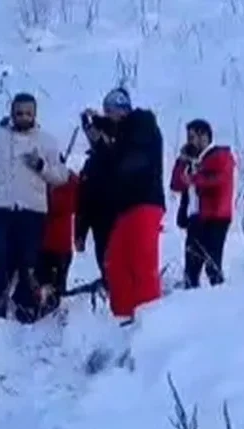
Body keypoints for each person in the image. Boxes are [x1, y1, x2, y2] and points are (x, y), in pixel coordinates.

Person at [0, 92, 69, 323]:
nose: (23, 117)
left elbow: (61, 177)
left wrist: (41, 166)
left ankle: (25, 305)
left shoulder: (47, 141)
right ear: (11, 112)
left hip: (32, 210)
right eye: (19, 112)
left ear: (35, 114)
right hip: (0, 207)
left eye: (28, 113)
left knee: (29, 260)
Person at [90, 87, 165, 323]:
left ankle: (149, 320)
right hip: (125, 207)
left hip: (145, 201)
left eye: (110, 111)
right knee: (116, 263)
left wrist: (104, 130)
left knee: (141, 263)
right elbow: (114, 163)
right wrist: (100, 139)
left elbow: (128, 157)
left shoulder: (143, 122)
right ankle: (122, 318)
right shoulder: (125, 136)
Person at [171, 119, 236, 287]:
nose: (190, 141)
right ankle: (191, 297)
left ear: (204, 136)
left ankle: (219, 298)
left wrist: (193, 178)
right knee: (191, 266)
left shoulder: (221, 156)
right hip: (195, 217)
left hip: (215, 216)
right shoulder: (192, 160)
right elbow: (176, 184)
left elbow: (218, 179)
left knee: (212, 263)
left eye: (192, 137)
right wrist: (182, 161)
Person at [73, 120, 119, 283]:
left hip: (117, 221)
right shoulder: (90, 163)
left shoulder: (118, 157)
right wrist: (80, 232)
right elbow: (84, 199)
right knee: (105, 263)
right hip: (98, 223)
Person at [37, 164, 81, 304]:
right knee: (44, 286)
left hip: (59, 248)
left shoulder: (68, 188)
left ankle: (55, 315)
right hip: (45, 247)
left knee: (56, 289)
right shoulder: (43, 187)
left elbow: (59, 206)